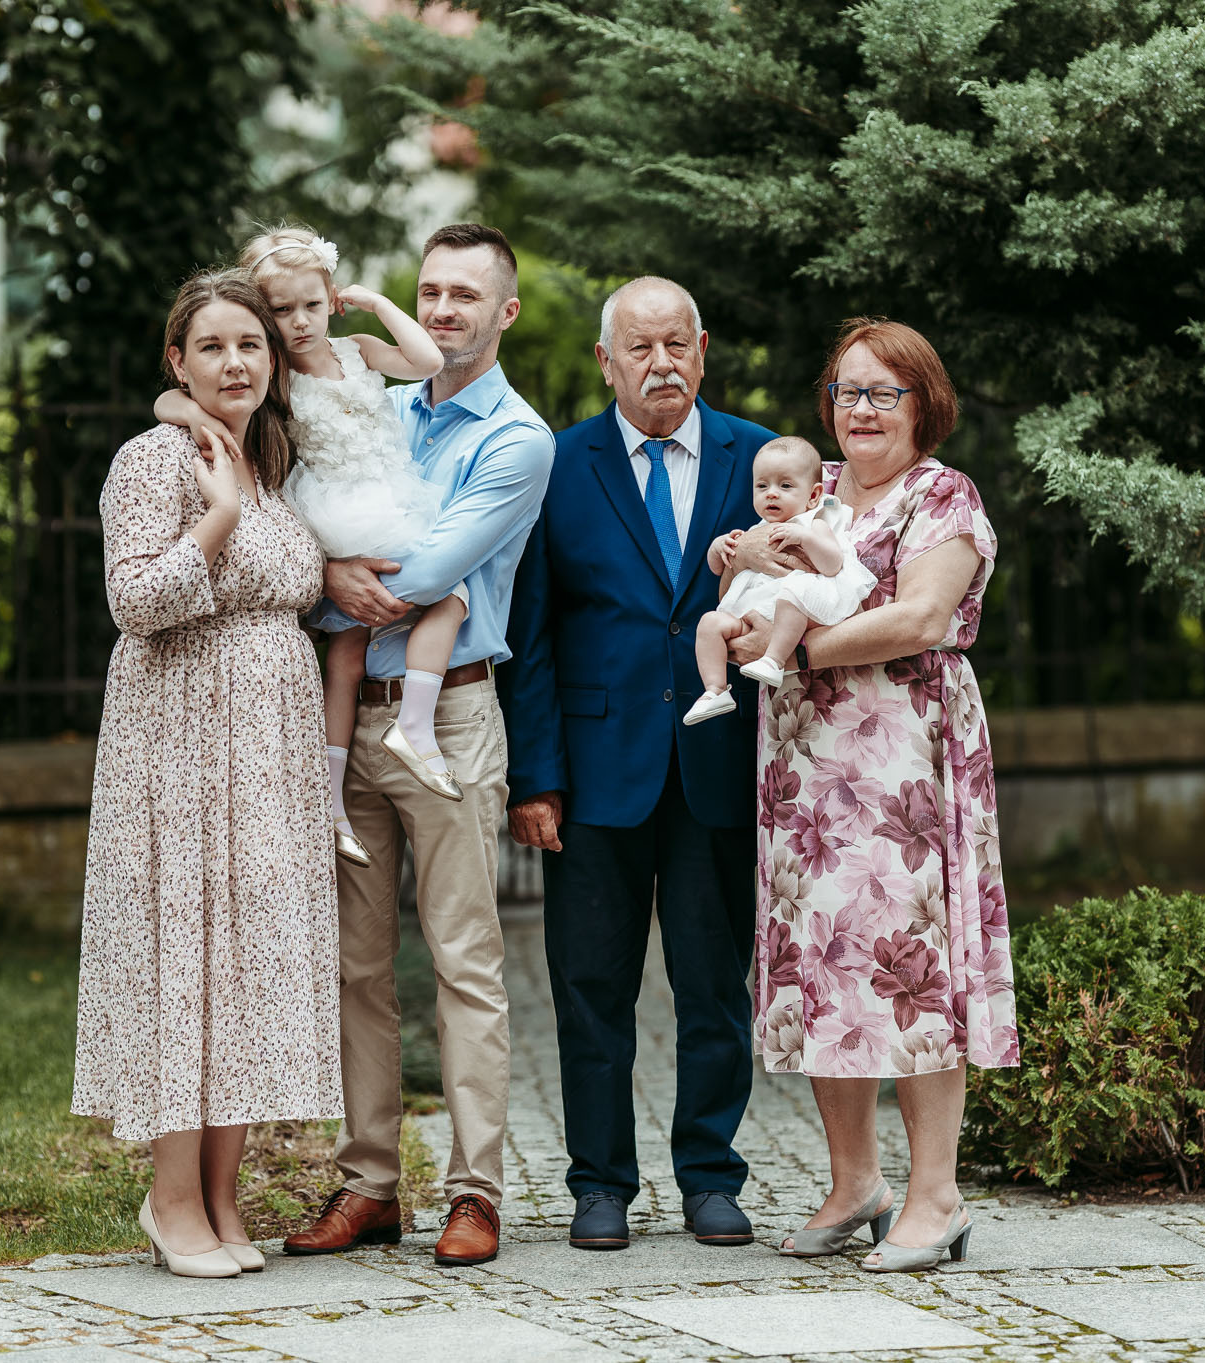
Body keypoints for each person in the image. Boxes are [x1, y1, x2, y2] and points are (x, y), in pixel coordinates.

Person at [281, 224, 553, 1270]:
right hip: (347, 715)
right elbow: (301, 530)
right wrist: (322, 569)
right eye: (431, 289)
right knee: (355, 964)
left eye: (464, 295)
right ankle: (368, 1184)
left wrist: (330, 573)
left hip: (450, 717)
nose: (442, 309)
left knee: (463, 960)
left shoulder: (517, 440)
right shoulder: (379, 402)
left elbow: (427, 572)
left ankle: (475, 1191)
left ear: (504, 312)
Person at [501, 275, 789, 1252]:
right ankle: (598, 1184)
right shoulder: (558, 465)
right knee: (590, 989)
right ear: (605, 362)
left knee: (714, 986)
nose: (660, 364)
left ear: (702, 351)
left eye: (676, 345)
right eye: (639, 347)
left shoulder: (761, 459)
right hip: (594, 774)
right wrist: (534, 778)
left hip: (721, 762)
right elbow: (531, 633)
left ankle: (710, 1175)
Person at [72, 272, 341, 1278]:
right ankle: (171, 1196)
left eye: (250, 345)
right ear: (176, 362)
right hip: (180, 741)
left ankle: (223, 1197)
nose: (235, 363)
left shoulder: (270, 462)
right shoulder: (154, 460)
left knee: (247, 961)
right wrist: (217, 514)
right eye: (213, 346)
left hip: (266, 747)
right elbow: (135, 602)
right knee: (184, 958)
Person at [756, 318, 1020, 1273]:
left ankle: (936, 1195)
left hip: (905, 761)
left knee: (913, 967)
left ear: (924, 403)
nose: (860, 410)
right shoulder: (813, 488)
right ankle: (854, 1183)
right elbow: (753, 579)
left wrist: (795, 652)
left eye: (883, 393)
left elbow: (920, 616)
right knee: (825, 961)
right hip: (805, 768)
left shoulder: (942, 494)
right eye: (846, 392)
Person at [154, 226, 454, 869]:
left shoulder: (359, 348)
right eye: (282, 310)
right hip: (338, 505)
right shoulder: (276, 374)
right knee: (377, 632)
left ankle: (400, 738)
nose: (299, 322)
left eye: (312, 305)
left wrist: (376, 302)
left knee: (381, 629)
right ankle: (356, 781)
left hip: (387, 491)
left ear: (332, 300)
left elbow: (429, 362)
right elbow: (168, 397)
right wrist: (197, 415)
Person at [683, 435, 876, 724]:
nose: (771, 494)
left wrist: (805, 538)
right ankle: (715, 689)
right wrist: (719, 547)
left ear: (813, 495)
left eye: (785, 486)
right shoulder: (756, 530)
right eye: (762, 486)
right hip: (756, 614)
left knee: (792, 594)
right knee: (709, 623)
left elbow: (833, 564)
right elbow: (717, 568)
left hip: (796, 612)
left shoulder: (815, 523)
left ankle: (773, 659)